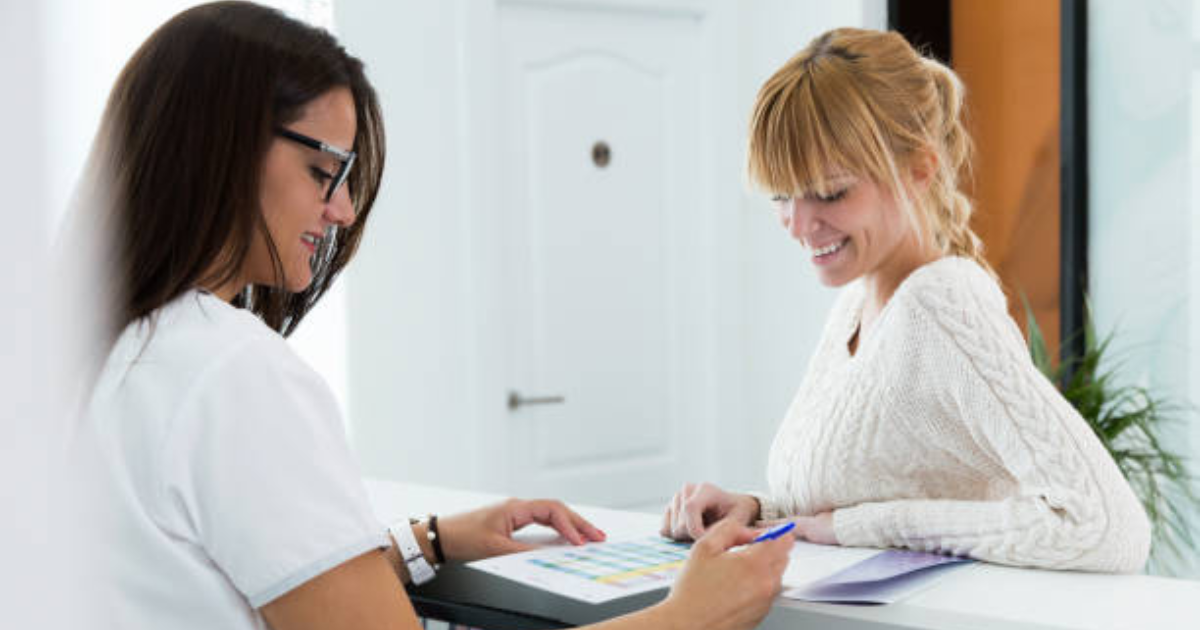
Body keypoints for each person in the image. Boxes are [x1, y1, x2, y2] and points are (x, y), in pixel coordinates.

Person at [63, 3, 793, 630]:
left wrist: (430, 541)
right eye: (323, 171)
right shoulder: (231, 374)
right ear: (219, 146)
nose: (342, 210)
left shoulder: (90, 349)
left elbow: (216, 575)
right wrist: (688, 615)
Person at [661, 27, 1152, 573]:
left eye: (830, 192)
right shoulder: (857, 305)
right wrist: (758, 511)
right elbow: (851, 503)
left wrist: (859, 527)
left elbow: (1105, 526)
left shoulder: (939, 308)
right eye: (783, 195)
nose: (797, 225)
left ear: (919, 170)